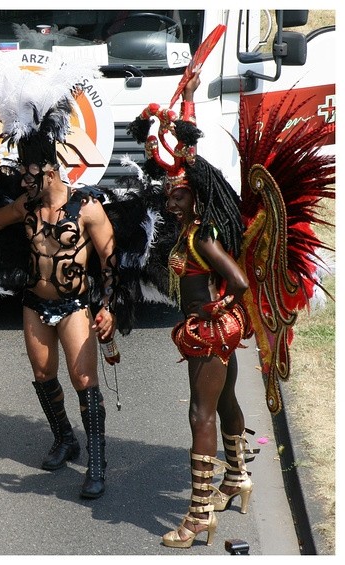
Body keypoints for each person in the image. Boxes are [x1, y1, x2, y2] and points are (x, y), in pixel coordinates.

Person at [0, 60, 118, 499]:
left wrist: (108, 307)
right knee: (44, 375)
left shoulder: (88, 209)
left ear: (51, 170)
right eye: (22, 173)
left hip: (76, 305)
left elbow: (111, 258)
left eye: (30, 174)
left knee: (84, 382)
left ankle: (96, 460)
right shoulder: (26, 204)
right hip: (34, 304)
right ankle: (64, 437)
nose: (24, 181)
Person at [130, 73, 253, 548]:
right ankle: (237, 478)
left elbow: (239, 282)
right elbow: (181, 151)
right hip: (211, 331)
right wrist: (188, 98)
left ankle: (199, 516)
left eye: (179, 194)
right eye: (168, 194)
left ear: (195, 196)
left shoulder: (202, 237)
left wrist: (214, 313)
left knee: (200, 416)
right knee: (224, 404)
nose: (171, 198)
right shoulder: (188, 233)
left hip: (211, 333)